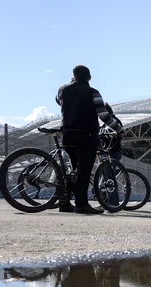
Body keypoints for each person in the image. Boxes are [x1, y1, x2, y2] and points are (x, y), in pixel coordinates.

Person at [55, 65, 124, 214]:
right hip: (86, 135)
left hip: (67, 134)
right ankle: (81, 204)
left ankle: (64, 203)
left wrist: (70, 84)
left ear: (73, 75)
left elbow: (59, 100)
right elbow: (104, 115)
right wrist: (119, 129)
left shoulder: (62, 90)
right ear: (89, 78)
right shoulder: (93, 92)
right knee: (84, 171)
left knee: (73, 170)